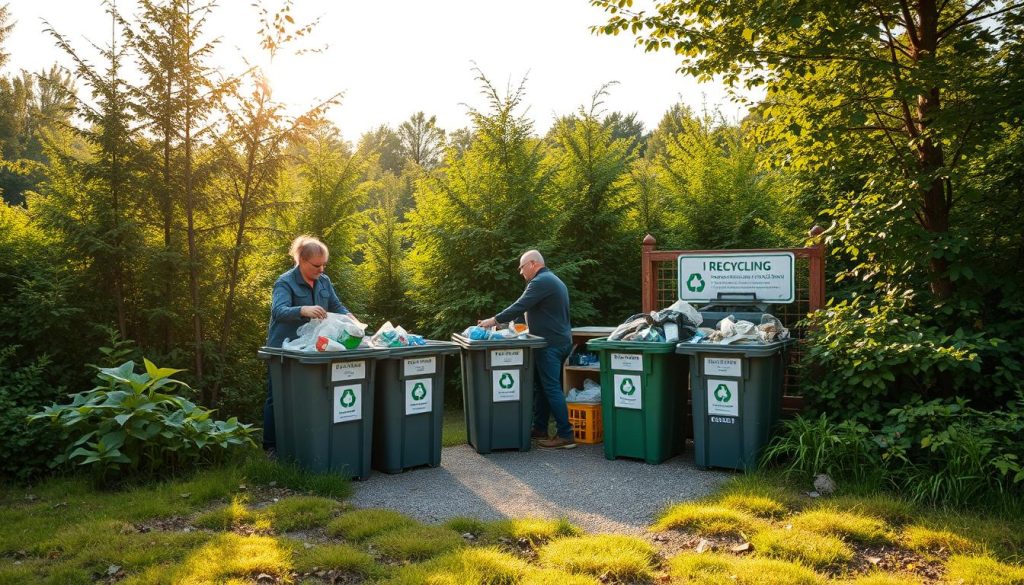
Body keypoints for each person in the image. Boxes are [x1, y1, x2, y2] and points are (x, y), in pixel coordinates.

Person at [264, 235, 355, 453]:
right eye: (317, 265)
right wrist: (302, 310)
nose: (321, 269)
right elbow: (278, 311)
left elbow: (335, 304)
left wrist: (350, 317)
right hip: (283, 350)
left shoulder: (324, 281)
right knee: (277, 396)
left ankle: (303, 443)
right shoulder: (285, 282)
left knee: (309, 397)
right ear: (302, 261)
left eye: (324, 264)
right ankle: (271, 447)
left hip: (312, 349)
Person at [478, 250, 575, 449]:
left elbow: (519, 306)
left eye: (521, 267)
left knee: (551, 388)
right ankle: (539, 429)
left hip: (550, 345)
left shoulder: (541, 282)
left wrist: (492, 321)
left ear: (532, 264)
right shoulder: (551, 280)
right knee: (543, 387)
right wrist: (508, 326)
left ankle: (566, 434)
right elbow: (527, 312)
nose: (520, 272)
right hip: (557, 341)